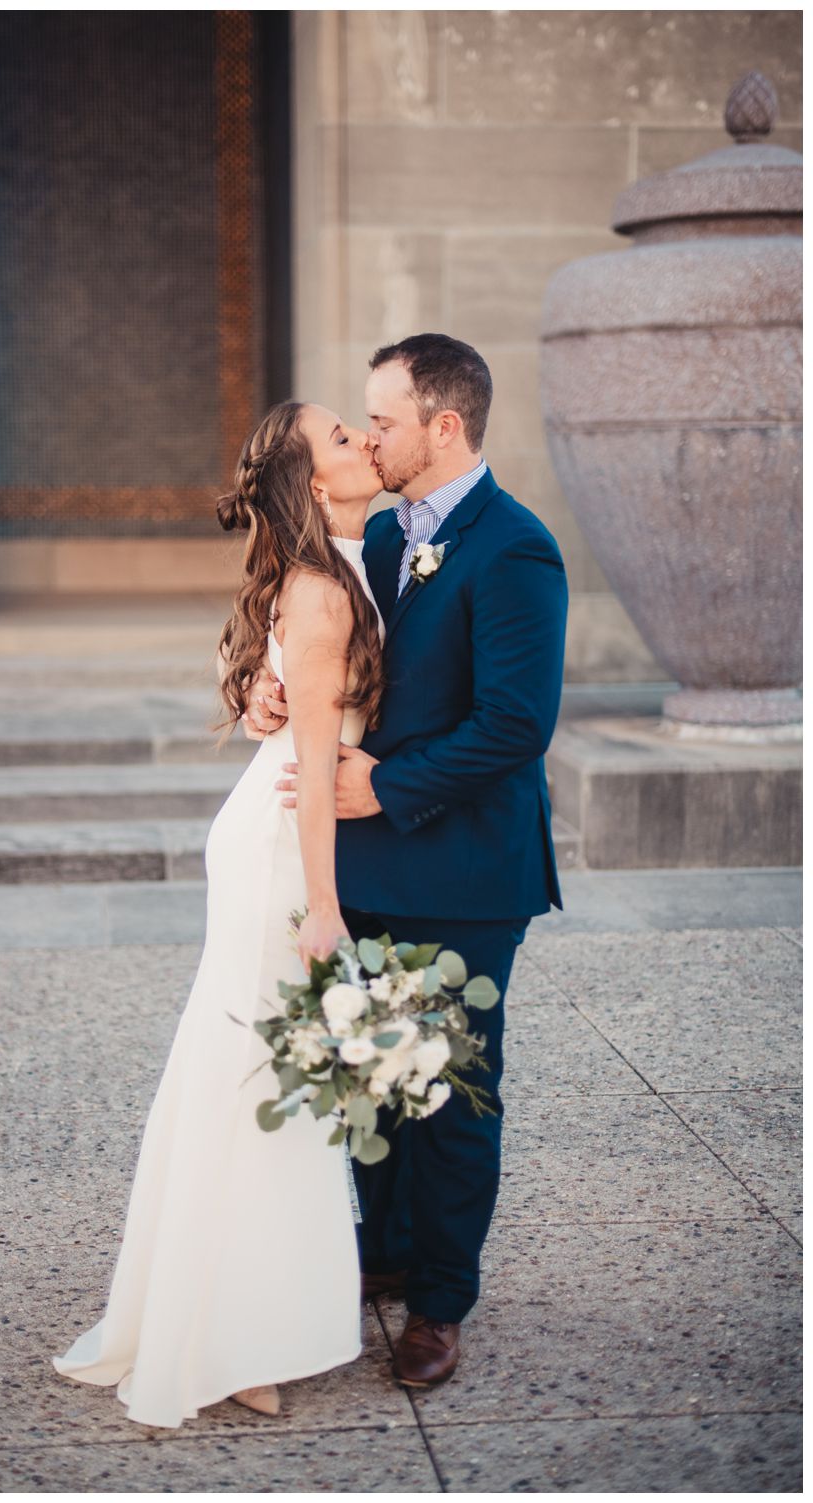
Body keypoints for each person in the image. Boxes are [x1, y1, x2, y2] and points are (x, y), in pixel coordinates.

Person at [54, 398, 388, 1425]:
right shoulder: (323, 592)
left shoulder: (337, 565)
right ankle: (229, 1333)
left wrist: (251, 686)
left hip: (279, 824)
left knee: (260, 1070)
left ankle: (246, 1309)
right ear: (311, 483)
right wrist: (323, 906)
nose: (361, 441)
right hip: (285, 844)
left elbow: (263, 674)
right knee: (257, 1077)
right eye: (340, 437)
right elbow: (315, 765)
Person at [263, 334, 567, 1389]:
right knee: (373, 1075)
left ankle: (439, 1301)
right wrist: (283, 702)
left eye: (381, 418)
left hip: (468, 869)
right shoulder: (381, 533)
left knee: (449, 1092)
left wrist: (383, 786)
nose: (368, 435)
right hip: (373, 864)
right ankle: (383, 1255)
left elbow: (515, 725)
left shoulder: (513, 546)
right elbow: (340, 666)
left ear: (443, 426)